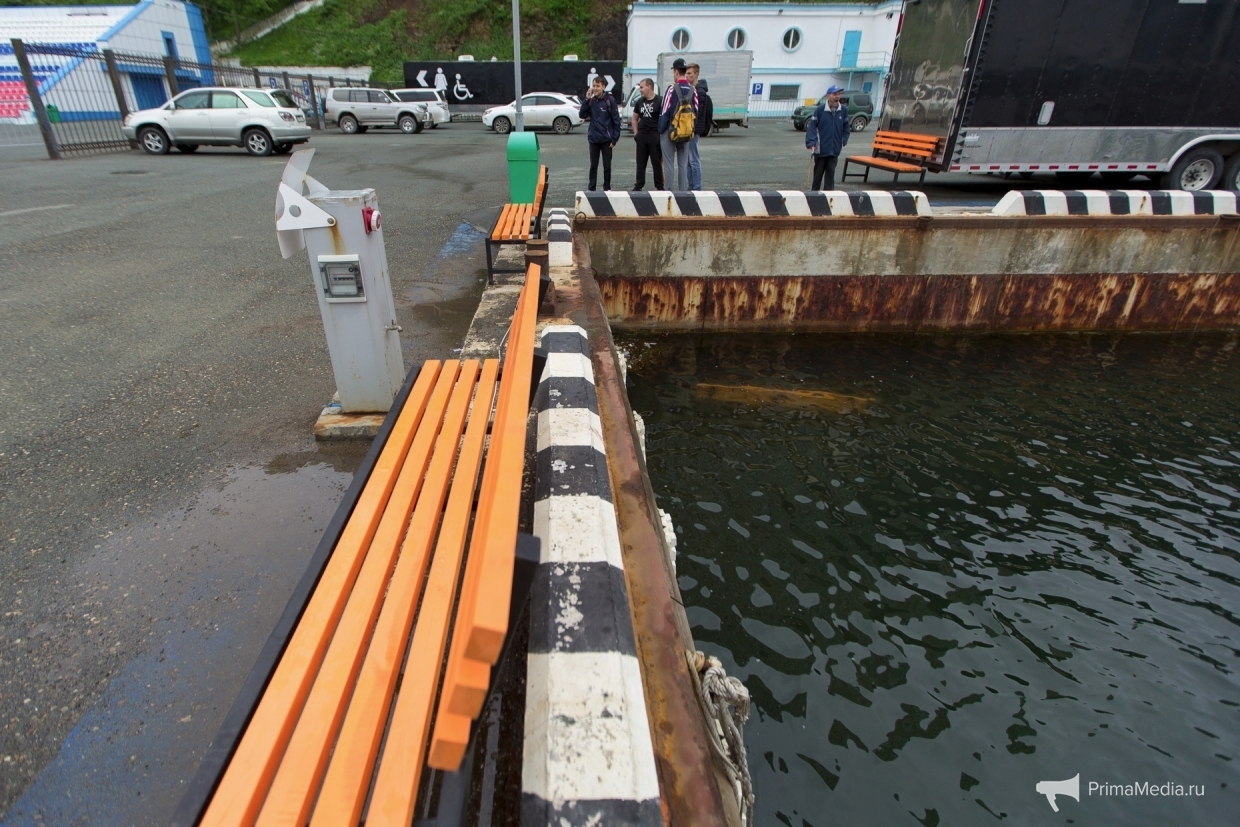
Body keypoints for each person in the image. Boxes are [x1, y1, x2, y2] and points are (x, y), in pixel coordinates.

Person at [658, 58, 698, 191]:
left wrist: (661, 131)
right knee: (683, 164)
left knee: (669, 164)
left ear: (676, 72)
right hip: (686, 132)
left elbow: (664, 111)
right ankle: (683, 194)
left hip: (670, 131)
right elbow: (696, 112)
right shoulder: (693, 90)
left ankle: (668, 193)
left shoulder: (671, 89)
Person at [579, 75, 621, 191]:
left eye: (598, 86)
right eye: (594, 86)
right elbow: (582, 115)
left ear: (603, 87)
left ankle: (607, 188)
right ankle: (591, 188)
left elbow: (616, 121)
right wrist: (586, 99)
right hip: (593, 139)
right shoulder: (591, 100)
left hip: (607, 140)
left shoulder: (609, 100)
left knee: (607, 166)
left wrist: (614, 139)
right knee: (593, 166)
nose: (595, 88)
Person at [805, 85, 851, 191]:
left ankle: (829, 198)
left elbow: (846, 128)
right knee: (817, 177)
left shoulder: (843, 110)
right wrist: (811, 142)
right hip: (821, 150)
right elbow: (812, 127)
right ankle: (814, 198)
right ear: (828, 96)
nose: (837, 97)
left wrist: (843, 140)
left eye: (839, 94)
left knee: (830, 177)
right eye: (834, 94)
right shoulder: (820, 110)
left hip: (834, 150)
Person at [630, 78, 664, 190]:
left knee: (657, 162)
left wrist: (661, 134)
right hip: (642, 136)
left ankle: (659, 185)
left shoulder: (660, 101)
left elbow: (664, 119)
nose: (640, 90)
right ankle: (638, 184)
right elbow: (634, 119)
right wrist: (636, 134)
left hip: (655, 135)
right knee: (640, 163)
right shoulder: (640, 101)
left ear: (649, 86)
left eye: (642, 87)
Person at [691, 77, 713, 190]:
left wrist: (694, 128)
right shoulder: (696, 90)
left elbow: (698, 113)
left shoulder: (700, 92)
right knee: (691, 160)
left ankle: (696, 187)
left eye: (689, 73)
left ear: (696, 74)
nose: (687, 76)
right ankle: (692, 186)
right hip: (692, 130)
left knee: (694, 159)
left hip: (694, 130)